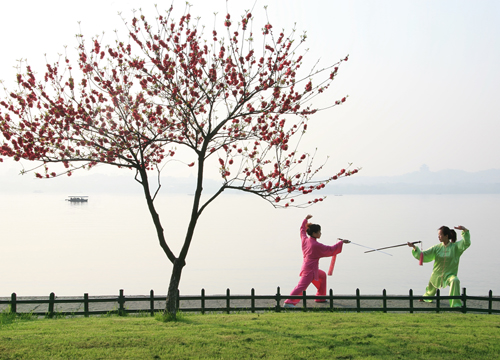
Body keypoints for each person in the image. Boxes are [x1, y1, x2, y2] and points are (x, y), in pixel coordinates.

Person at [284, 215, 350, 308]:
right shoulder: (315, 245)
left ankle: (320, 297)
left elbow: (302, 230)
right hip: (310, 270)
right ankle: (288, 302)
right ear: (314, 233)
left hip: (310, 268)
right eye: (319, 232)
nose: (320, 233)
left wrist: (305, 220)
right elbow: (330, 249)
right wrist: (341, 242)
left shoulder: (305, 240)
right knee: (301, 286)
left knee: (322, 275)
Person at [407, 225, 470, 308]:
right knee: (431, 284)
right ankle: (427, 297)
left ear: (446, 236)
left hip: (450, 275)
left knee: (455, 280)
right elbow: (424, 254)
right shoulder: (436, 248)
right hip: (437, 273)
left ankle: (455, 304)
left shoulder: (456, 247)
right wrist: (414, 247)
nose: (438, 237)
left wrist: (464, 231)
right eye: (438, 235)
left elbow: (466, 243)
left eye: (440, 235)